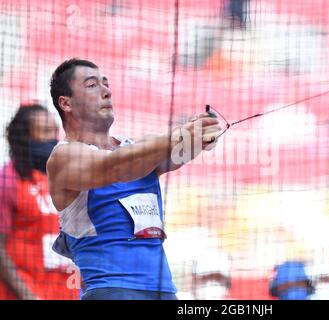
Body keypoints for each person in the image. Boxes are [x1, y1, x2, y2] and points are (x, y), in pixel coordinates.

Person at [47, 58, 221, 300]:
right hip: (111, 291)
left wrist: (201, 134)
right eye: (92, 85)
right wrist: (179, 136)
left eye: (105, 84)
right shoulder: (64, 156)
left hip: (164, 292)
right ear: (66, 103)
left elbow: (176, 152)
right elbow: (114, 166)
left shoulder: (139, 148)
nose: (106, 92)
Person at [0, 103, 78, 300]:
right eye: (44, 131)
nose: (52, 139)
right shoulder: (8, 180)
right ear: (25, 137)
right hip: (22, 292)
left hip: (63, 293)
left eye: (54, 131)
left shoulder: (64, 179)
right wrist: (26, 295)